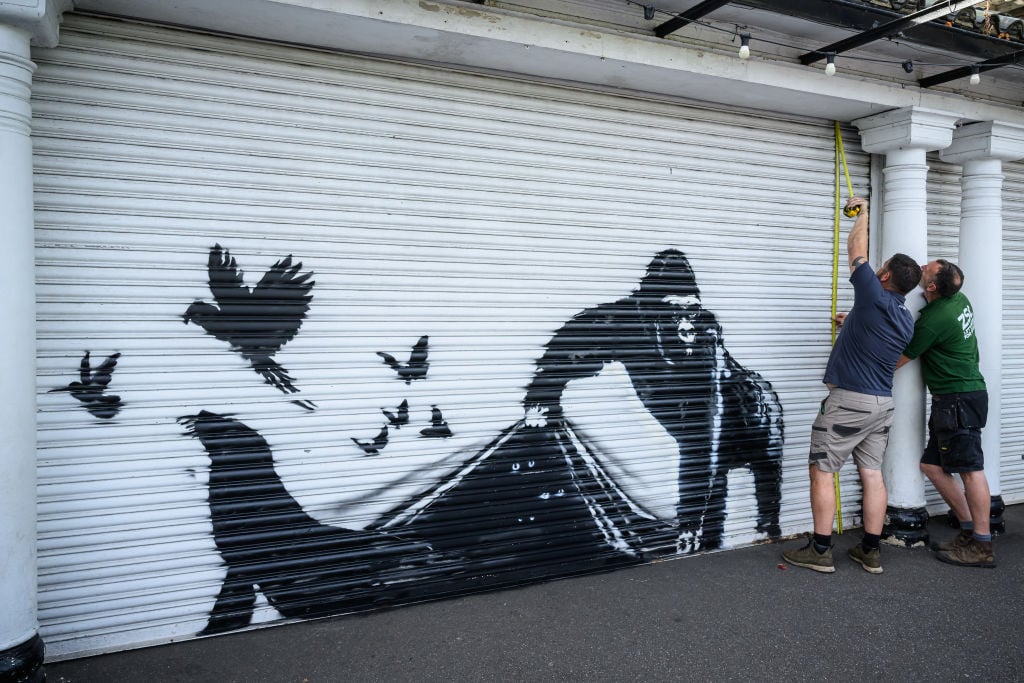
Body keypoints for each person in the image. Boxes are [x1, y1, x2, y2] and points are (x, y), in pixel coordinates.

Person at [523, 249, 784, 554]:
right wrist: (541, 395)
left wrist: (688, 523)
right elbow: (572, 344)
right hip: (697, 426)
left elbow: (706, 437)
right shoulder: (626, 320)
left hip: (753, 419)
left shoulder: (706, 332)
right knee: (708, 499)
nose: (686, 327)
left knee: (748, 507)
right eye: (677, 314)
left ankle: (758, 535)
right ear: (653, 312)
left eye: (691, 313)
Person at [782, 197, 921, 574]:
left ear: (886, 276)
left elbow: (855, 249)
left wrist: (862, 214)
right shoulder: (902, 318)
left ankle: (821, 550)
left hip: (849, 403)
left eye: (883, 267)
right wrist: (853, 322)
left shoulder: (873, 295)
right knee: (871, 473)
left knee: (822, 470)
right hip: (882, 405)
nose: (877, 270)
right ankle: (870, 551)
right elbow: (875, 336)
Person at [896, 259, 995, 568]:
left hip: (957, 399)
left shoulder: (935, 318)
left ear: (933, 286)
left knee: (970, 469)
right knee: (932, 466)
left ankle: (982, 544)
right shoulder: (958, 299)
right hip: (958, 397)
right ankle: (968, 530)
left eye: (929, 268)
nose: (923, 265)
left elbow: (902, 357)